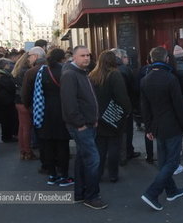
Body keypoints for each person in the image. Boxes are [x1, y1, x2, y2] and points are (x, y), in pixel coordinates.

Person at [140, 46, 183, 211]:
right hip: (172, 125)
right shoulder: (170, 78)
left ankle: (172, 191)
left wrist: (148, 128)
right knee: (173, 162)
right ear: (167, 59)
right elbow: (179, 105)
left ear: (151, 60)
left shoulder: (145, 79)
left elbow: (145, 107)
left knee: (163, 162)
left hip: (156, 125)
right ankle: (152, 192)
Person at [61, 46, 107, 209]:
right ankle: (92, 196)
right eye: (82, 55)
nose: (86, 58)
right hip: (81, 126)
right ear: (74, 57)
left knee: (83, 158)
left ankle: (80, 194)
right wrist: (79, 124)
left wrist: (93, 119)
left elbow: (87, 99)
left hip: (88, 124)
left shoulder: (81, 72)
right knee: (93, 160)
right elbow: (69, 104)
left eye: (88, 55)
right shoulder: (70, 75)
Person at [90, 51, 132, 183]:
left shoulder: (92, 75)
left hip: (97, 115)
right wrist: (128, 110)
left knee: (100, 147)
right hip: (113, 116)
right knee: (114, 146)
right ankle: (113, 174)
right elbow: (122, 96)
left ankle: (98, 172)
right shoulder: (115, 75)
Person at [33, 49, 73, 186]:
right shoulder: (65, 71)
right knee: (62, 145)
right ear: (62, 59)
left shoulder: (42, 71)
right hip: (62, 110)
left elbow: (38, 92)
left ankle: (52, 175)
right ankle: (64, 176)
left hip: (45, 110)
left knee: (48, 145)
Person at [110, 48, 140, 166]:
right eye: (126, 57)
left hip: (111, 107)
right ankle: (127, 152)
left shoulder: (106, 69)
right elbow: (133, 89)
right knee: (126, 130)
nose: (128, 59)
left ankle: (123, 152)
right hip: (125, 105)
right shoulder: (124, 70)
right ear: (121, 58)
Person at [12, 53, 38, 160]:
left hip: (18, 101)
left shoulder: (18, 69)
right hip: (24, 101)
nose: (35, 58)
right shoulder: (26, 71)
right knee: (26, 127)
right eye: (33, 56)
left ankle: (23, 150)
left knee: (22, 127)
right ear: (28, 58)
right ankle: (27, 151)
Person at [0, 58, 18, 143]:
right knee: (7, 120)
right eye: (8, 64)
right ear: (4, 66)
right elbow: (10, 87)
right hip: (5, 100)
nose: (9, 66)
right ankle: (7, 137)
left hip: (3, 100)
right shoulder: (2, 75)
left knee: (6, 119)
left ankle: (7, 135)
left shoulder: (0, 74)